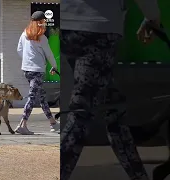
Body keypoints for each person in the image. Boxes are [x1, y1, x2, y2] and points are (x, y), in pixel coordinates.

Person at [60, 0, 161, 179]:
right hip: (98, 27)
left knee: (111, 109)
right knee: (83, 112)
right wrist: (153, 17)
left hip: (67, 25)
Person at [15, 11, 60, 135]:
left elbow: (19, 50)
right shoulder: (42, 38)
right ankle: (22, 124)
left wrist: (27, 60)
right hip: (37, 71)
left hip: (27, 70)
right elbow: (49, 54)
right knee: (32, 97)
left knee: (41, 97)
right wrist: (54, 66)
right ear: (41, 22)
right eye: (44, 21)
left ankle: (53, 123)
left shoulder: (24, 34)